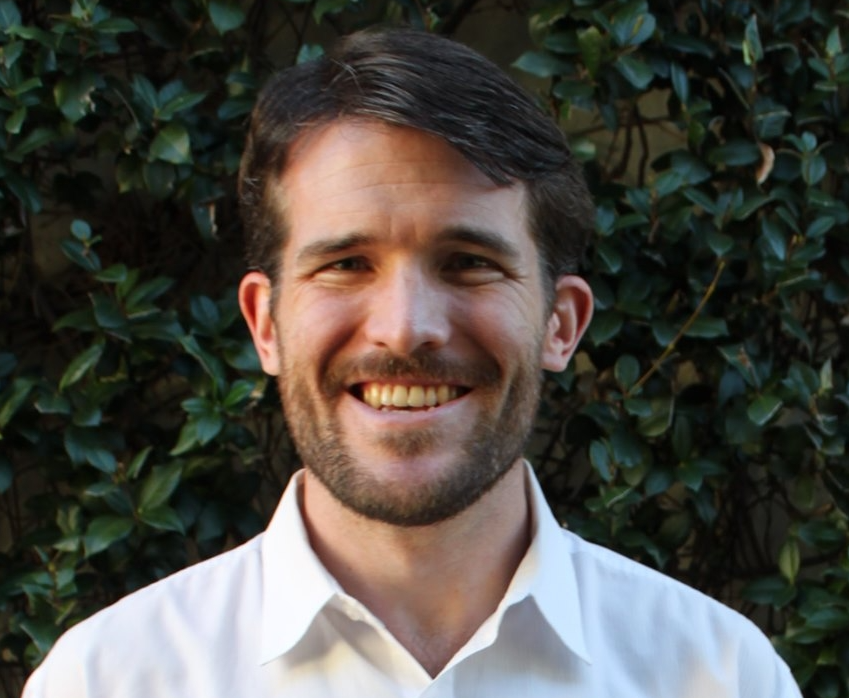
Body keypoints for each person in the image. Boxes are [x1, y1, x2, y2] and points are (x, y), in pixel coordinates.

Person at [23, 27, 800, 698]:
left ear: (561, 324)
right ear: (265, 324)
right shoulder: (111, 679)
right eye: (346, 264)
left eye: (466, 262)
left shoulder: (718, 676)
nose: (405, 330)